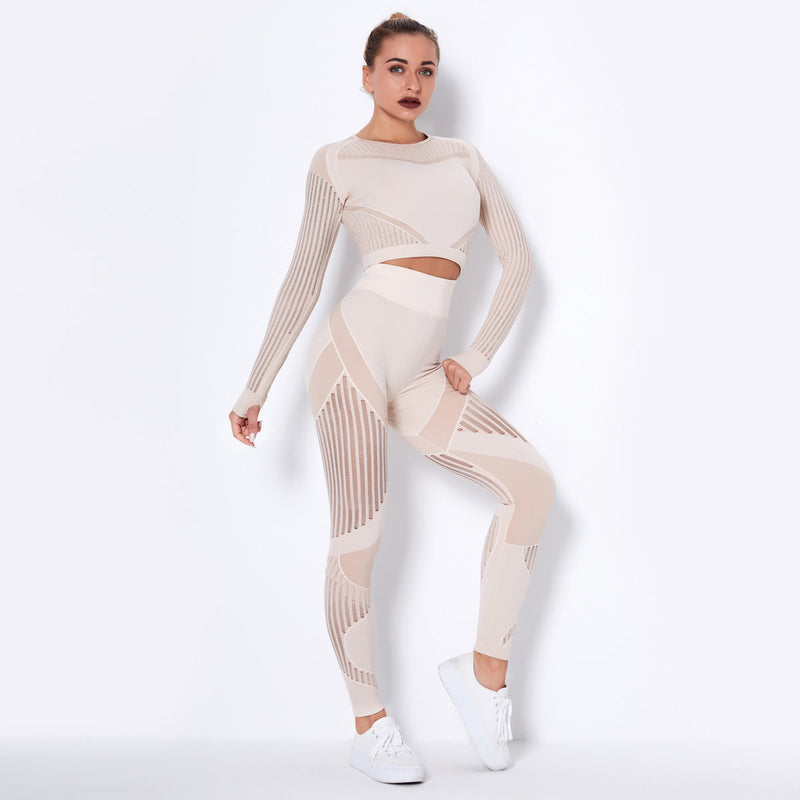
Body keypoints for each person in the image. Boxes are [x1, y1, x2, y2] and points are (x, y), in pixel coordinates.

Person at [228, 12, 556, 785]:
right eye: (398, 68)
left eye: (426, 69)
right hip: (351, 359)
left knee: (532, 486)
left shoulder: (463, 159)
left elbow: (519, 265)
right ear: (368, 75)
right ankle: (369, 723)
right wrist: (255, 385)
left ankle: (484, 677)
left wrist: (474, 357)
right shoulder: (337, 161)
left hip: (423, 373)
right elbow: (304, 280)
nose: (413, 83)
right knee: (360, 540)